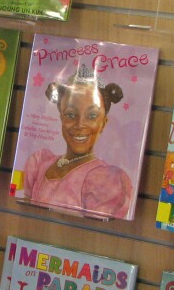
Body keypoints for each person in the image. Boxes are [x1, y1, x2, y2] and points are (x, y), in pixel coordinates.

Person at [22, 65, 132, 218]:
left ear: (103, 123)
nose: (80, 124)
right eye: (71, 114)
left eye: (92, 116)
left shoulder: (105, 181)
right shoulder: (40, 162)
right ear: (61, 117)